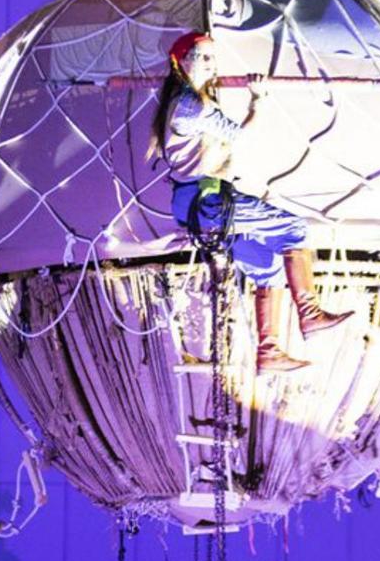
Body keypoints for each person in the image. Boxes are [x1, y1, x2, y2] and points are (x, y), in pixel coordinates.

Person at [150, 32, 351, 372]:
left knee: (267, 266)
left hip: (194, 206)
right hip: (207, 200)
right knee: (294, 229)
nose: (210, 65)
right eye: (202, 57)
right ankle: (310, 312)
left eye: (213, 58)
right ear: (181, 63)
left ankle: (269, 349)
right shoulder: (191, 105)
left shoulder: (187, 102)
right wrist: (258, 100)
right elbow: (239, 136)